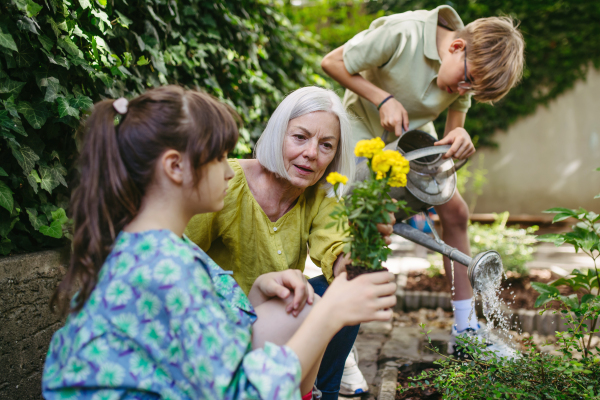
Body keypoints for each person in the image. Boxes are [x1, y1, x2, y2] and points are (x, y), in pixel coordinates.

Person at [41, 86, 398, 400]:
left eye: (325, 145)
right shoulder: (167, 269)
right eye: (218, 159)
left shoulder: (157, 252)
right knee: (313, 309)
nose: (230, 170)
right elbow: (241, 393)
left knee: (302, 305)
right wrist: (329, 313)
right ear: (175, 168)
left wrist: (258, 289)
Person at [321, 6, 525, 357]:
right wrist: (382, 98)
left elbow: (448, 145)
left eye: (472, 87)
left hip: (411, 134)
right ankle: (336, 342)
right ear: (457, 46)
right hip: (362, 122)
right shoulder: (405, 33)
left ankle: (466, 331)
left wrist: (459, 138)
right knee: (362, 223)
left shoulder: (465, 74)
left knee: (456, 211)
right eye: (467, 80)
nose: (464, 89)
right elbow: (332, 62)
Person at [184, 86, 395, 398]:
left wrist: (357, 255)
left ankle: (326, 392)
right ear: (277, 134)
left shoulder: (320, 195)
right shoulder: (225, 181)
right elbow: (180, 252)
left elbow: (334, 245)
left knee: (345, 285)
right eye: (300, 137)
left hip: (283, 314)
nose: (312, 153)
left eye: (326, 145)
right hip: (219, 322)